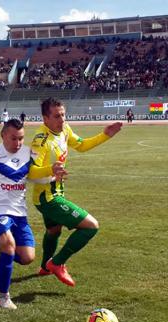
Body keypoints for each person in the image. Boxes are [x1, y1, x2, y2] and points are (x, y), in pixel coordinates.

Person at [0, 119, 63, 309]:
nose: (18, 143)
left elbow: (35, 176)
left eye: (21, 138)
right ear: (3, 135)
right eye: (13, 138)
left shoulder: (28, 153)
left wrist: (53, 175)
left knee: (27, 258)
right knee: (9, 245)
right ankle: (3, 296)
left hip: (20, 213)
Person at [28, 98, 123, 287]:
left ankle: (45, 267)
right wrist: (50, 170)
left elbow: (81, 145)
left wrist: (105, 135)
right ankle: (57, 263)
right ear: (45, 118)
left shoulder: (64, 130)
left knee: (54, 231)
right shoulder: (41, 140)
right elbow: (30, 173)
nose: (62, 119)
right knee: (91, 226)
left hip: (56, 194)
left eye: (63, 114)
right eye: (56, 116)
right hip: (47, 198)